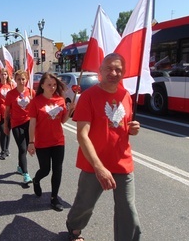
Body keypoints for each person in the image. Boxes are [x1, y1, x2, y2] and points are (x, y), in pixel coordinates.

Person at [65, 53, 141, 241]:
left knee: (128, 209)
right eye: (109, 68)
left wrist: (133, 129)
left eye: (118, 69)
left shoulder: (126, 96)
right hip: (94, 163)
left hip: (122, 161)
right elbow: (82, 135)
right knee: (85, 204)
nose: (113, 72)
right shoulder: (88, 96)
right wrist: (99, 168)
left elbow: (122, 126)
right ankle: (74, 227)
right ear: (100, 70)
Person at [27, 72, 74, 211]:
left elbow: (63, 121)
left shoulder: (60, 100)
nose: (52, 87)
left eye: (54, 85)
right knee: (45, 169)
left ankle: (54, 198)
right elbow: (32, 124)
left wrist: (70, 111)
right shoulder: (36, 102)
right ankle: (36, 180)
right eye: (49, 85)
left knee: (57, 170)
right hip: (42, 142)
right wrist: (31, 142)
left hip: (58, 141)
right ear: (42, 85)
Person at [4, 70, 35, 184]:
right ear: (15, 80)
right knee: (23, 148)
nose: (21, 81)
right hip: (16, 124)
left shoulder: (31, 92)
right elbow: (7, 111)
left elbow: (38, 108)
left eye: (23, 79)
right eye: (19, 79)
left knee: (25, 147)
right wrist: (6, 126)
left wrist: (33, 102)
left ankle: (20, 166)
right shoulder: (11, 94)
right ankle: (26, 174)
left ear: (26, 79)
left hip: (29, 123)